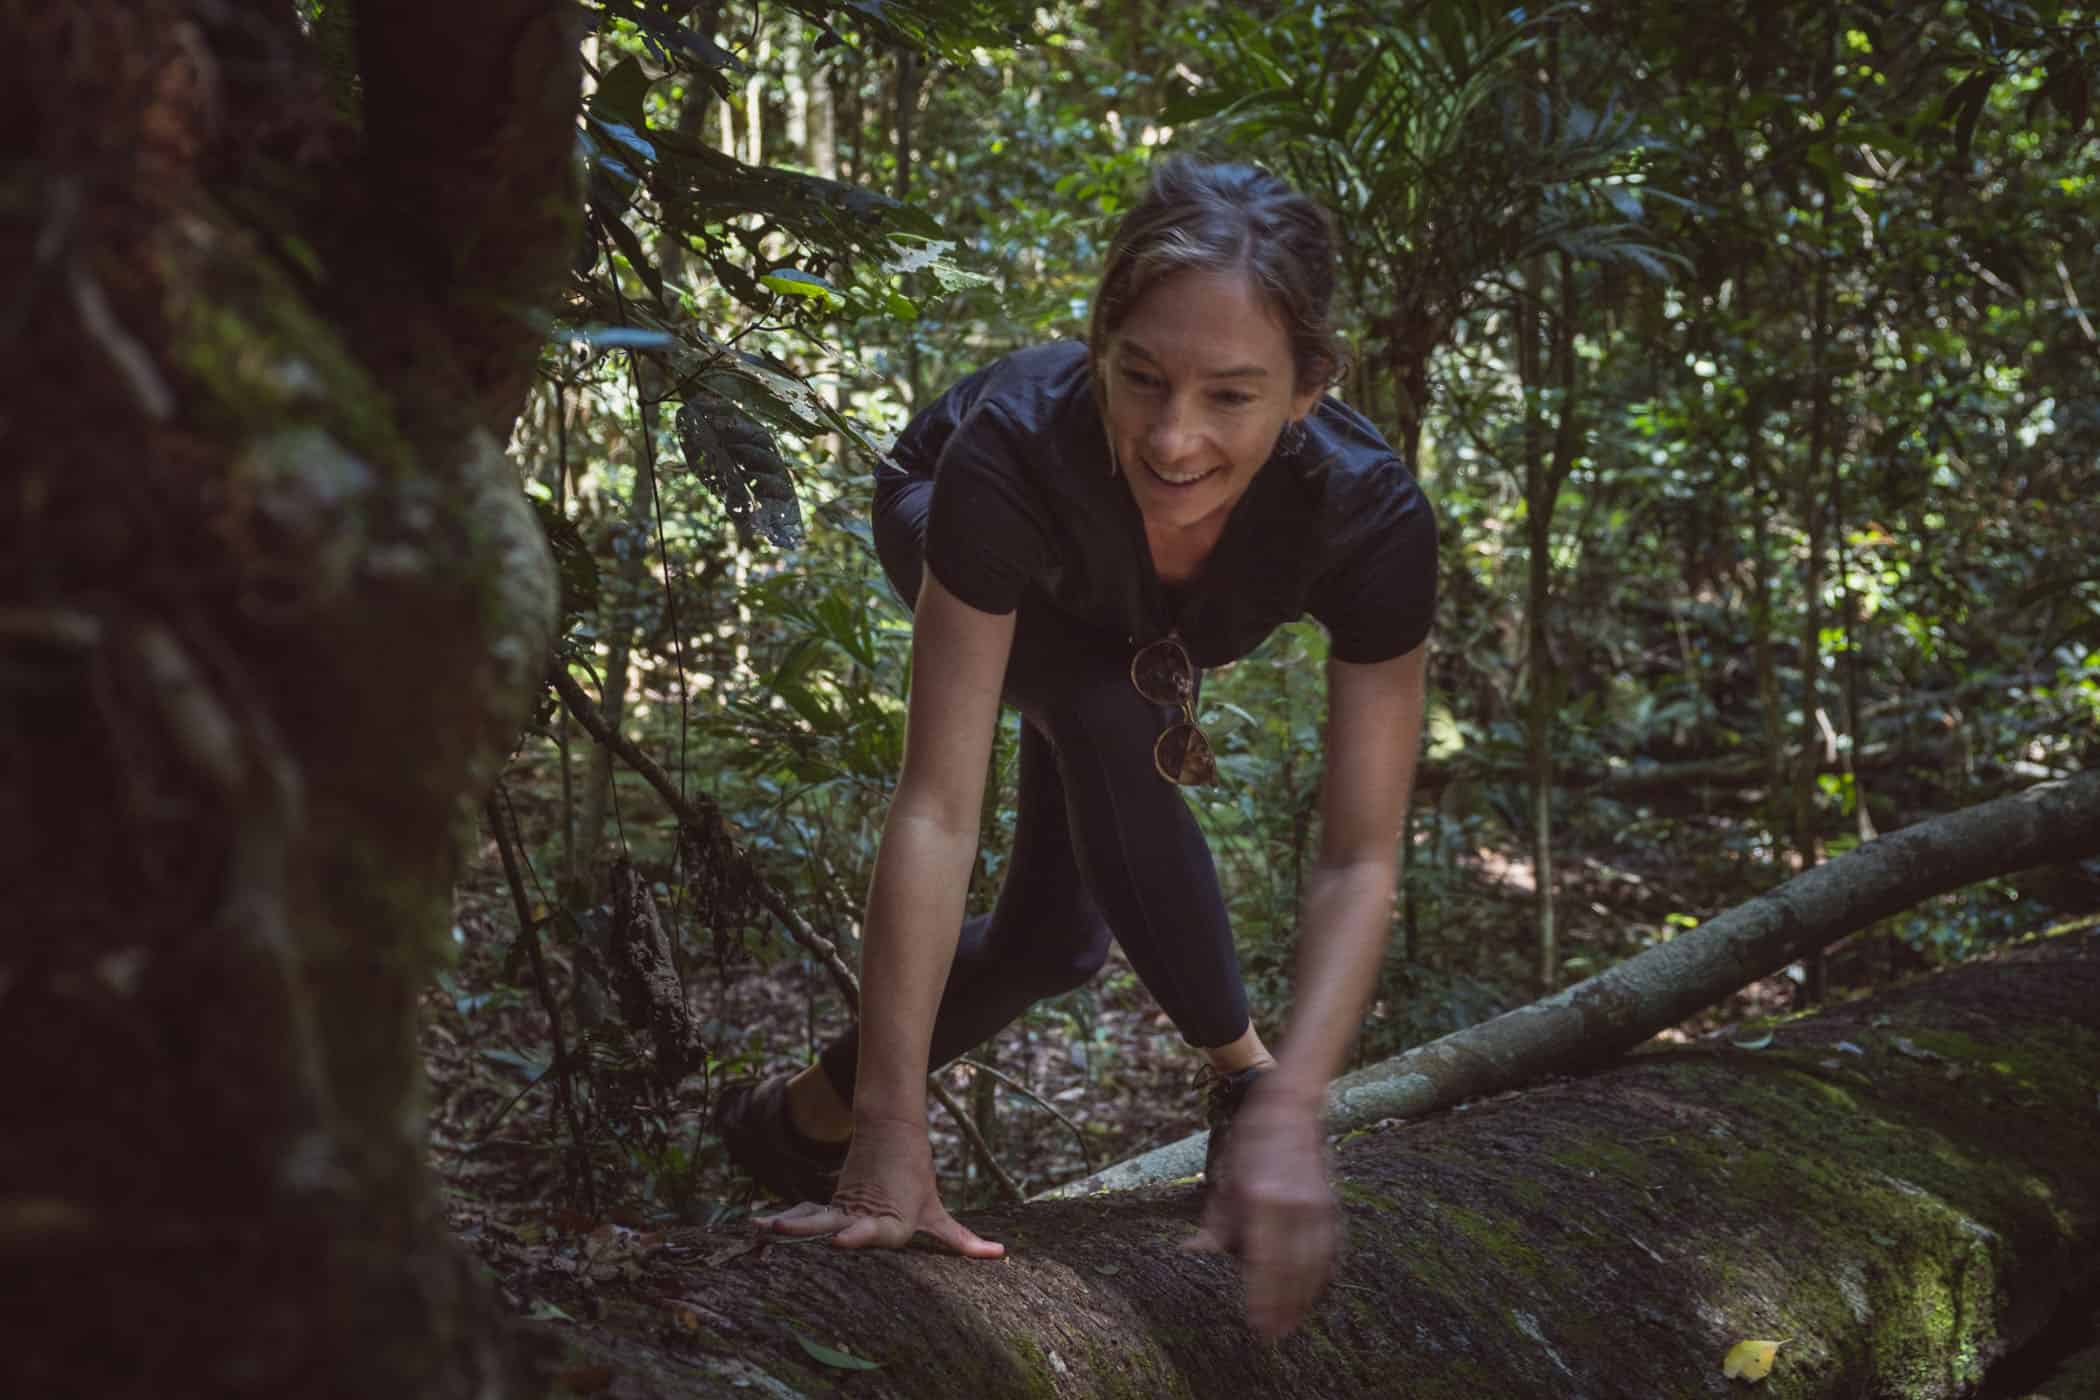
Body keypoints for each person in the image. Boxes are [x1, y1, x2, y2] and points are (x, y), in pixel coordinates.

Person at [714, 155, 1435, 1340]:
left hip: (1115, 613)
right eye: (1139, 376)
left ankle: (792, 1122)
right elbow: (939, 806)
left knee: (1053, 941)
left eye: (1232, 397)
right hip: (944, 505)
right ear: (1097, 341)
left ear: (1309, 390)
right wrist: (899, 1142)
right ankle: (1230, 1075)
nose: (1172, 437)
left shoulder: (1370, 518)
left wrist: (1309, 1110)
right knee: (1103, 709)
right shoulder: (1017, 447)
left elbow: (1359, 854)